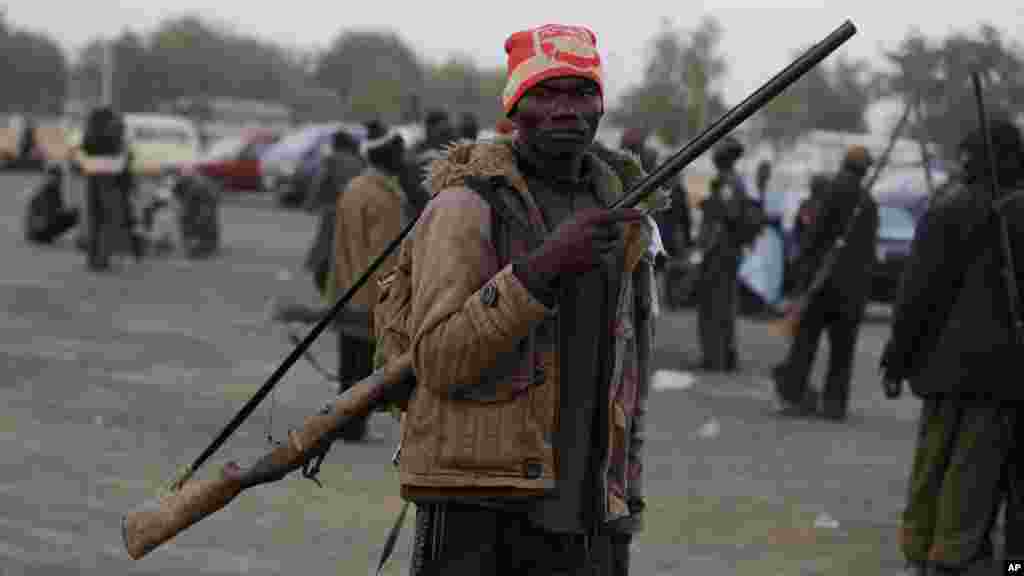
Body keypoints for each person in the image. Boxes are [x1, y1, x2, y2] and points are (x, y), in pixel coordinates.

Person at [396, 23, 658, 575]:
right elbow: (438, 360)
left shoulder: (625, 214)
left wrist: (622, 508)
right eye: (546, 92)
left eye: (582, 91)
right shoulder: (465, 209)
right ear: (515, 106)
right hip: (478, 509)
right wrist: (542, 269)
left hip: (585, 521)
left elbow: (627, 380)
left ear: (601, 106)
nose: (567, 109)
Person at [879, 119, 1024, 575]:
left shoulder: (948, 210)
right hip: (1000, 373)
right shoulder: (1011, 213)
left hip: (944, 366)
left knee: (934, 462)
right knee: (971, 469)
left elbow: (916, 294)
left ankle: (921, 552)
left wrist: (898, 359)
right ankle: (949, 556)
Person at [773, 146, 878, 420]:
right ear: (865, 170)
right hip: (850, 288)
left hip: (821, 281)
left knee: (805, 342)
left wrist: (800, 275)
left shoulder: (831, 192)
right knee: (842, 349)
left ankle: (792, 396)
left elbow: (815, 235)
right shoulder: (867, 202)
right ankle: (835, 404)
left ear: (844, 164)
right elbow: (868, 253)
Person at [331, 120, 418, 442]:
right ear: (389, 154)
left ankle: (344, 425)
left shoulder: (355, 188)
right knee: (363, 369)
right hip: (372, 298)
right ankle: (353, 426)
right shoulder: (384, 198)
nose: (404, 158)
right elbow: (389, 258)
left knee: (349, 365)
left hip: (347, 291)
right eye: (400, 151)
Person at [691, 135, 761, 371]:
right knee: (724, 304)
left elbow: (728, 214)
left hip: (720, 251)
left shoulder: (728, 182)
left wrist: (709, 205)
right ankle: (725, 355)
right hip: (726, 251)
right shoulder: (735, 181)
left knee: (715, 305)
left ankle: (716, 358)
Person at [305, 128, 365, 297]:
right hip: (357, 211)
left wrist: (310, 203)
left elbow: (320, 181)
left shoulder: (332, 160)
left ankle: (332, 289)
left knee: (327, 251)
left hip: (335, 210)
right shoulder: (359, 160)